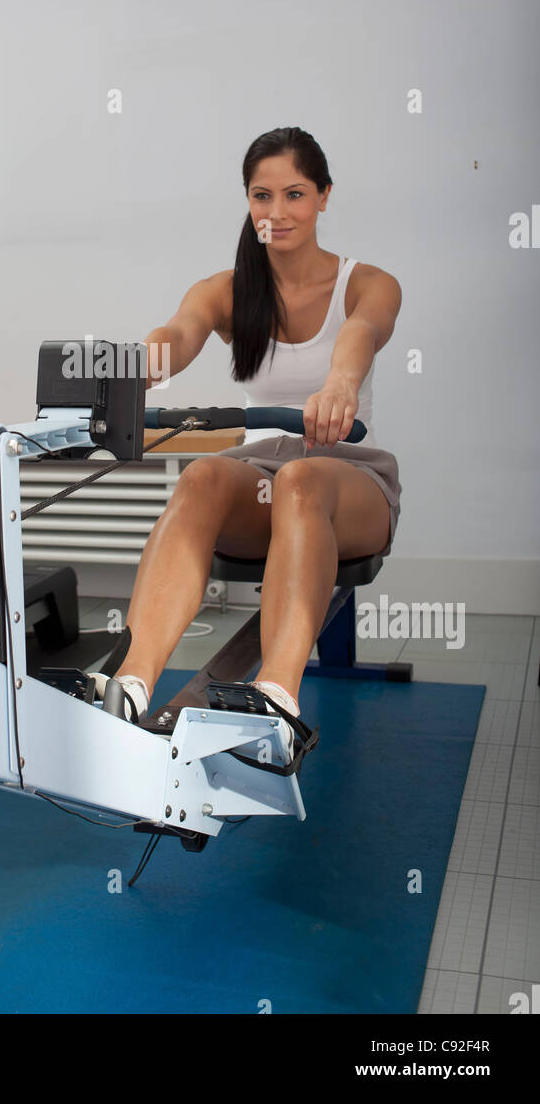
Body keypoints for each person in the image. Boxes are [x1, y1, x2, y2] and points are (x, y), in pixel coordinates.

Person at [89, 126, 402, 757]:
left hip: (348, 477)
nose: (278, 212)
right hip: (261, 478)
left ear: (323, 198)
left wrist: (340, 384)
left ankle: (277, 701)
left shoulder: (368, 282)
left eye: (295, 194)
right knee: (202, 475)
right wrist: (139, 364)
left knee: (303, 480)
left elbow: (361, 334)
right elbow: (178, 333)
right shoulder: (228, 291)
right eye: (263, 197)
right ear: (248, 202)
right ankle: (130, 682)